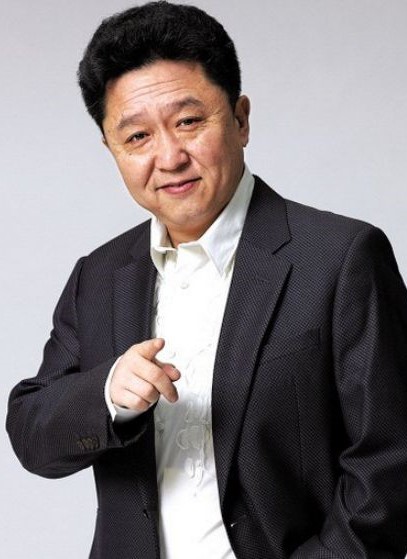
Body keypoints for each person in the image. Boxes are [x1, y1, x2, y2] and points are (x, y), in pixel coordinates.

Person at [6, 2, 407, 558]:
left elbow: (390, 466)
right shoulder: (97, 276)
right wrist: (107, 393)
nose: (169, 157)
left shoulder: (340, 258)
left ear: (240, 119)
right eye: (137, 136)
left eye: (189, 122)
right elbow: (32, 433)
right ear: (111, 148)